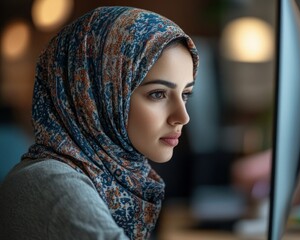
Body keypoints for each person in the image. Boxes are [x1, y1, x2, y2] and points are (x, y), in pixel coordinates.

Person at [0, 6, 199, 240]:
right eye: (157, 94)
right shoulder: (51, 182)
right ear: (93, 95)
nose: (183, 117)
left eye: (186, 94)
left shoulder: (119, 179)